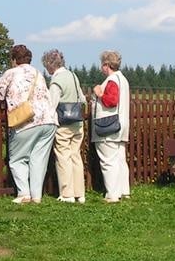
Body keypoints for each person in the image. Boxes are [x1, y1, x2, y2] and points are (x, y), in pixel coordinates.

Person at [0, 44, 57, 204]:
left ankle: (23, 194)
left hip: (26, 120)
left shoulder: (10, 73)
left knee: (17, 158)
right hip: (48, 119)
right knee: (38, 159)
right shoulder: (38, 73)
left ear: (14, 59)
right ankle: (36, 196)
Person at [42, 48, 87, 204]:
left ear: (50, 65)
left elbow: (52, 104)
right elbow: (82, 98)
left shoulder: (56, 80)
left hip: (63, 124)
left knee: (63, 157)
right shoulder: (73, 76)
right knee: (76, 156)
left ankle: (67, 193)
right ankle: (79, 194)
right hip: (78, 122)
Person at [91, 50, 131, 203]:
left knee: (108, 161)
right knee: (120, 159)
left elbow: (111, 101)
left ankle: (112, 195)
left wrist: (99, 94)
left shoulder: (112, 80)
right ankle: (123, 190)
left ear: (107, 65)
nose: (101, 67)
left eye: (102, 64)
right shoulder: (123, 79)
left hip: (108, 126)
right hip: (121, 124)